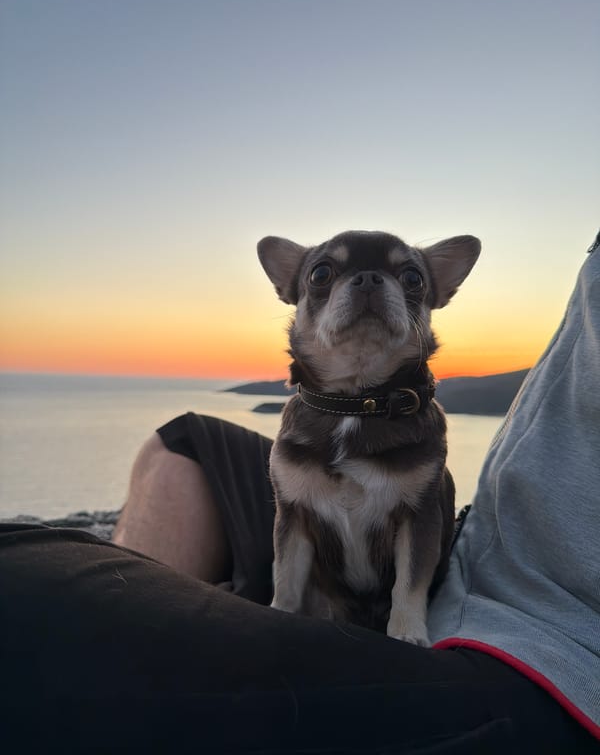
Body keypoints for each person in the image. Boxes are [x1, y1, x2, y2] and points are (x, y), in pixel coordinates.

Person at [1, 233, 599, 754]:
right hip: (405, 552)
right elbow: (293, 519)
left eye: (409, 279)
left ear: (432, 299)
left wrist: (406, 617)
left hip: (517, 650)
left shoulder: (421, 443)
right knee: (182, 441)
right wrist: (283, 611)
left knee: (21, 583)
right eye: (325, 275)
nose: (367, 284)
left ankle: (167, 658)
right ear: (297, 296)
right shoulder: (296, 436)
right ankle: (176, 626)